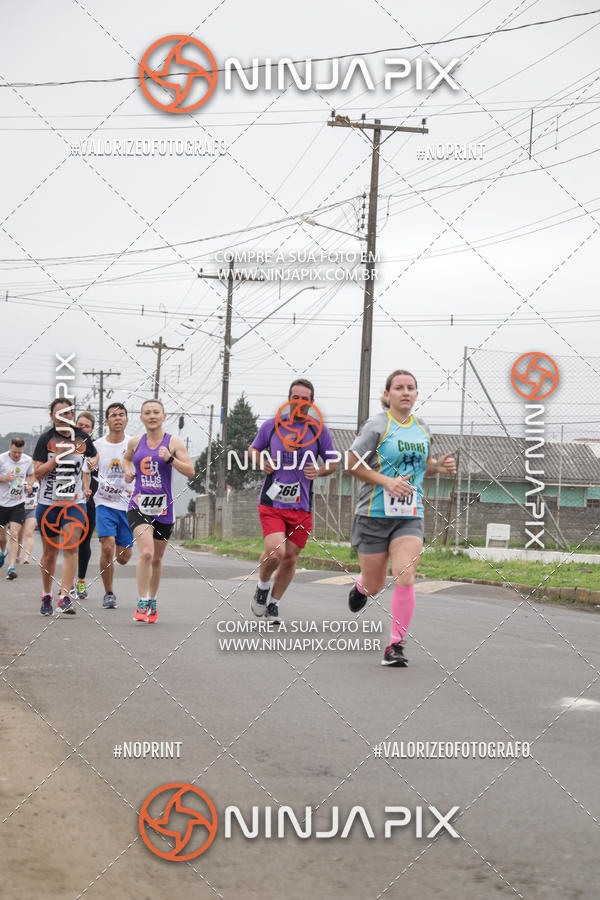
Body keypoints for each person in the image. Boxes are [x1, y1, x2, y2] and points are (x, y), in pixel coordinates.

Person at [346, 369, 456, 667]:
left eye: (410, 387)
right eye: (399, 388)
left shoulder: (422, 428)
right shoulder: (376, 426)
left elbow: (425, 466)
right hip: (373, 514)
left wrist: (438, 467)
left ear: (416, 394)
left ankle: (395, 645)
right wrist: (386, 481)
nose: (405, 392)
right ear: (387, 395)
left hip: (410, 514)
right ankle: (361, 587)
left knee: (405, 575)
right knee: (374, 585)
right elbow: (351, 464)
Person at [249, 378, 337, 623]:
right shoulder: (272, 426)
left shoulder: (318, 431)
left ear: (311, 402)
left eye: (304, 399)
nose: (299, 402)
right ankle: (262, 587)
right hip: (272, 502)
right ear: (289, 400)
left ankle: (274, 604)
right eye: (295, 398)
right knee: (275, 553)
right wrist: (262, 462)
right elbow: (254, 449)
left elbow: (332, 462)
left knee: (290, 558)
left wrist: (319, 470)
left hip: (302, 506)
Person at [124, 399, 194, 624]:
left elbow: (190, 471)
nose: (152, 416)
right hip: (139, 505)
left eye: (156, 412)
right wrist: (128, 472)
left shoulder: (173, 442)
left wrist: (170, 459)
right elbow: (126, 459)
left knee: (156, 558)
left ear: (164, 417)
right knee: (146, 552)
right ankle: (141, 600)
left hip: (163, 509)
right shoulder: (135, 442)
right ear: (141, 417)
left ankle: (152, 599)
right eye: (147, 413)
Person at [33, 399, 97, 615]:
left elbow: (94, 455)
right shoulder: (46, 439)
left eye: (67, 413)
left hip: (74, 503)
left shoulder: (82, 438)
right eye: (59, 413)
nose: (63, 417)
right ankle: (46, 595)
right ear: (52, 416)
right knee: (50, 553)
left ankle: (65, 596)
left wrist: (93, 462)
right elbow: (37, 472)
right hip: (49, 504)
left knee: (71, 547)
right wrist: (56, 459)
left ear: (72, 416)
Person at [84, 402, 134, 609]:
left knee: (123, 558)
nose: (118, 418)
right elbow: (86, 469)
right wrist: (86, 488)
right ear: (106, 421)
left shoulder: (134, 443)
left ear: (126, 420)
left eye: (121, 415)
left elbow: (144, 468)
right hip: (104, 503)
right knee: (107, 546)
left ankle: (119, 550)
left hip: (128, 506)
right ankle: (109, 593)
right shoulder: (97, 446)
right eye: (113, 415)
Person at [0, 437, 35, 580]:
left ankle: (11, 567)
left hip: (18, 503)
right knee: (2, 537)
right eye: (14, 452)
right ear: (10, 447)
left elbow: (31, 475)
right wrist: (4, 479)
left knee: (14, 534)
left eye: (19, 453)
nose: (16, 455)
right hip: (1, 503)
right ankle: (3, 552)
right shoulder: (1, 459)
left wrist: (29, 484)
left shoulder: (27, 460)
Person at [73, 411, 98, 601]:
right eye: (79, 425)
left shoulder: (95, 450)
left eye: (86, 426)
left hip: (90, 501)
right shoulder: (64, 447)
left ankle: (80, 581)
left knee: (84, 542)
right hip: (67, 501)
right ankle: (66, 583)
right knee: (69, 542)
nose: (82, 428)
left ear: (92, 430)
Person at [17, 479, 39, 564]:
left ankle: (26, 558)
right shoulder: (19, 475)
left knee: (29, 533)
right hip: (19, 509)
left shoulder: (38, 476)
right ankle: (17, 556)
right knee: (19, 536)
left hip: (32, 509)